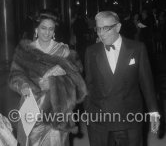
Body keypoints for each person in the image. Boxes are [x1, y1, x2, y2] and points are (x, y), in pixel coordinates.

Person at [8, 9, 87, 146]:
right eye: (43, 28)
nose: (47, 32)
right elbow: (15, 76)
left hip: (57, 109)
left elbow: (77, 79)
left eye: (51, 29)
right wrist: (25, 87)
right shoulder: (25, 50)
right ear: (36, 29)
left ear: (54, 31)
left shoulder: (64, 51)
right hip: (33, 107)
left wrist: (57, 79)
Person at [84, 11, 160, 146]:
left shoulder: (137, 48)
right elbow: (88, 85)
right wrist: (88, 112)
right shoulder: (91, 51)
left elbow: (146, 83)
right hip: (99, 119)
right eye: (98, 28)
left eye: (105, 28)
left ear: (118, 27)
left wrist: (153, 111)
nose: (100, 33)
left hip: (129, 117)